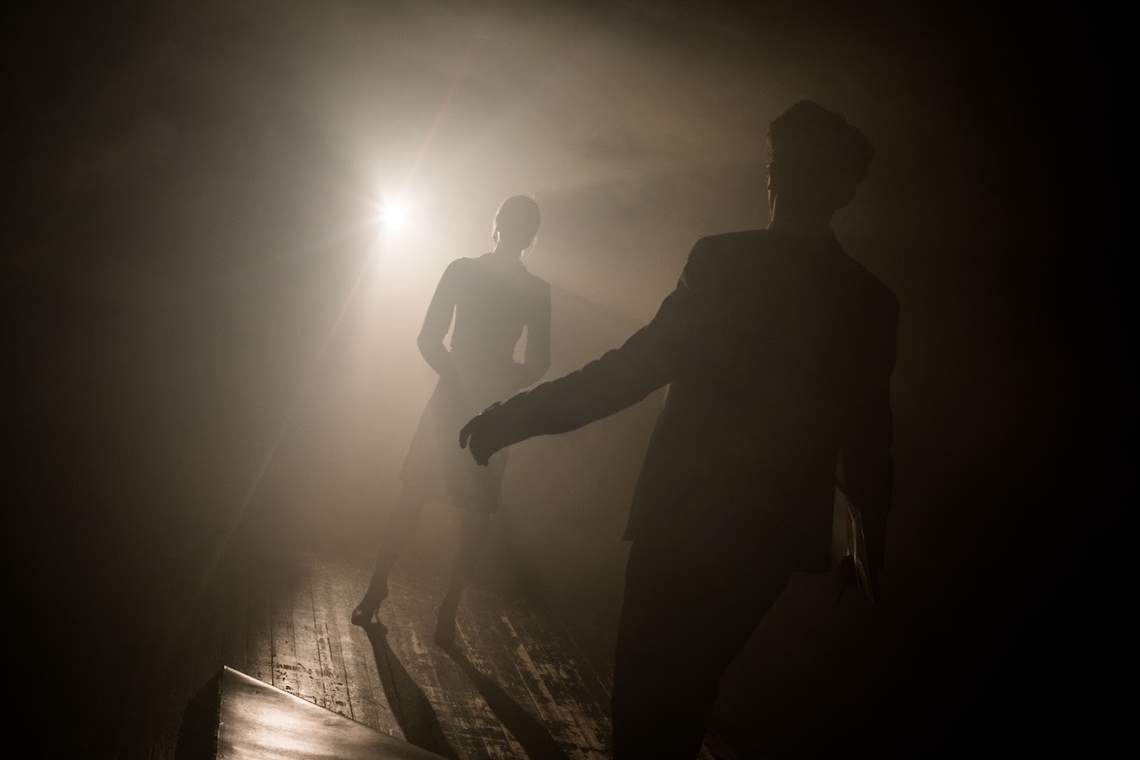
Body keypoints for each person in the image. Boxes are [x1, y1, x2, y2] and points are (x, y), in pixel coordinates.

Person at [459, 101, 899, 758]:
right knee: (686, 696)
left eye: (780, 165)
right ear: (845, 190)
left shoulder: (723, 261)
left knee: (647, 703)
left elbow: (630, 372)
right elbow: (867, 433)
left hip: (681, 517)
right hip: (769, 536)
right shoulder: (869, 301)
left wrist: (511, 418)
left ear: (783, 176)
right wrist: (867, 543)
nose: (773, 177)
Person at [353, 195, 551, 645]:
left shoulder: (463, 270)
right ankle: (448, 610)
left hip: (452, 399)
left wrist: (458, 377)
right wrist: (502, 384)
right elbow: (540, 361)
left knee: (414, 494)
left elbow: (428, 338)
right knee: (474, 511)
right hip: (495, 407)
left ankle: (376, 590)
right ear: (530, 235)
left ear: (496, 225)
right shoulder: (536, 290)